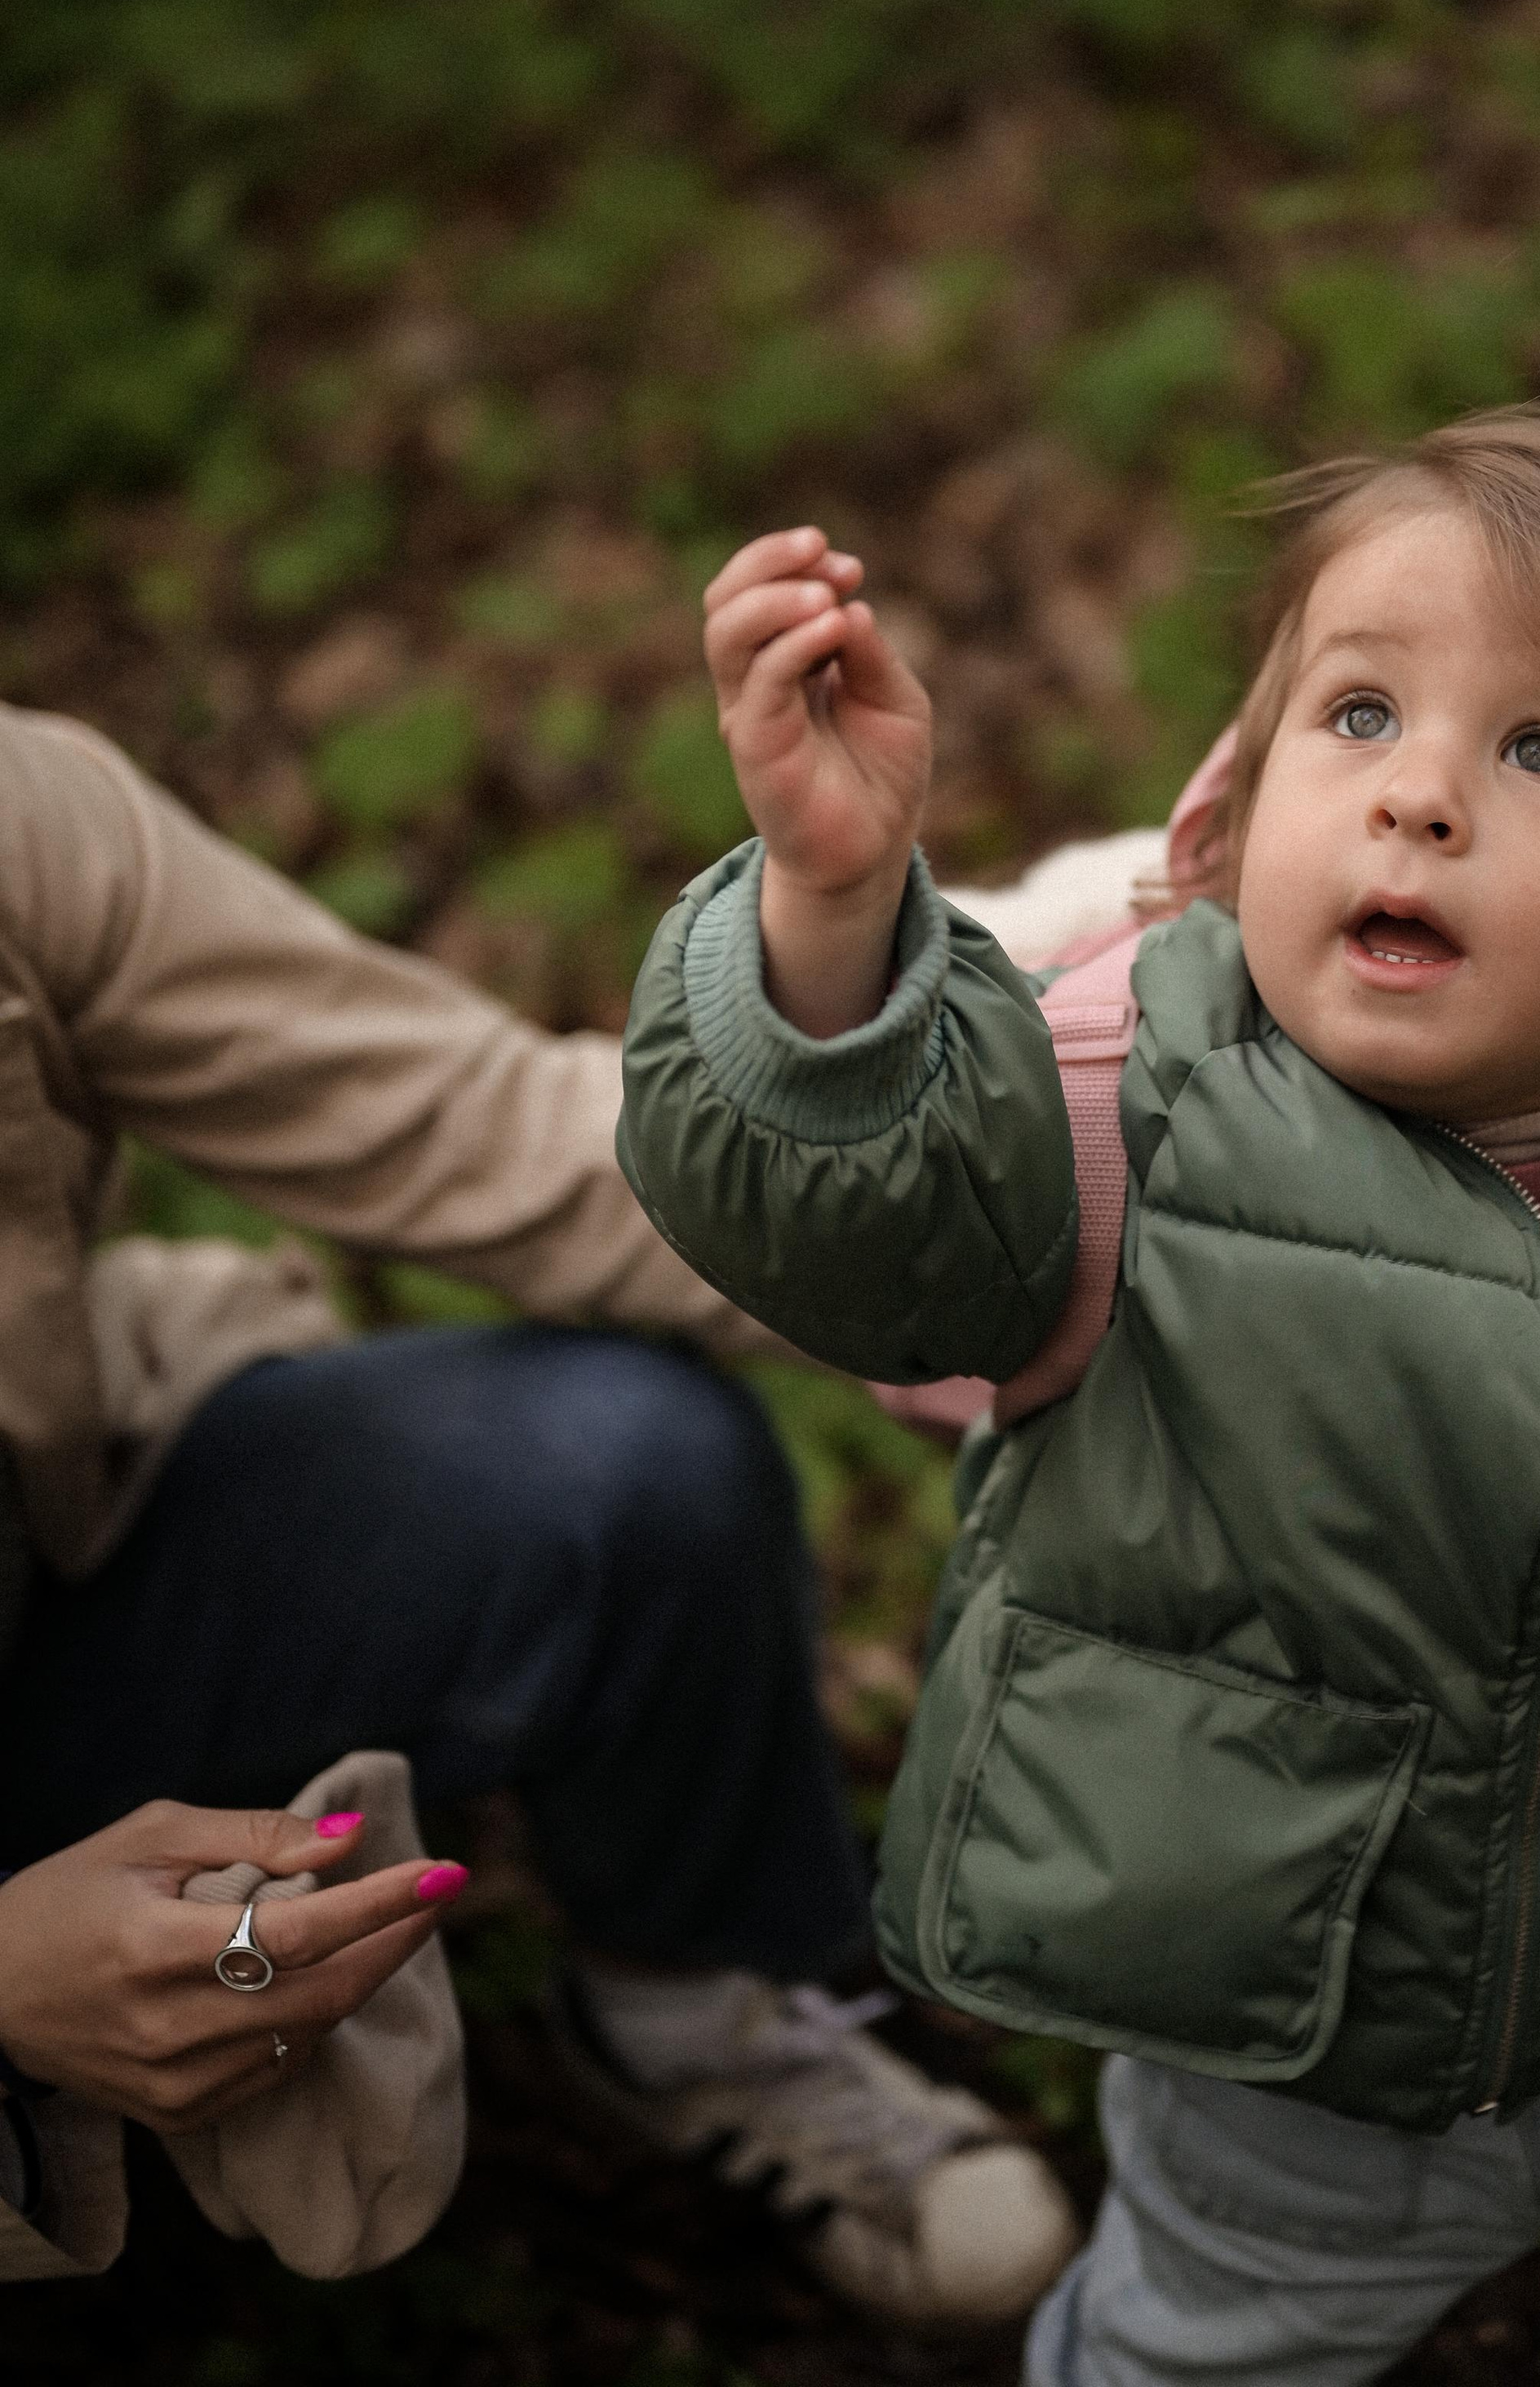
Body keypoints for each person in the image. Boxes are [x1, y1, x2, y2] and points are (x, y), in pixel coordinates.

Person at [618, 406, 1540, 2387]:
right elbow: (853, 1220)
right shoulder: (1111, 1108)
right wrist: (832, 918)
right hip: (1279, 2058)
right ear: (1232, 824)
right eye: (1361, 715)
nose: (1419, 801)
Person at [0, 700, 1076, 2316]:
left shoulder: (25, 826)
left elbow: (482, 1123)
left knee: (624, 1472)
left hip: (48, 1576)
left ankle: (679, 2014)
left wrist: (988, 1252)